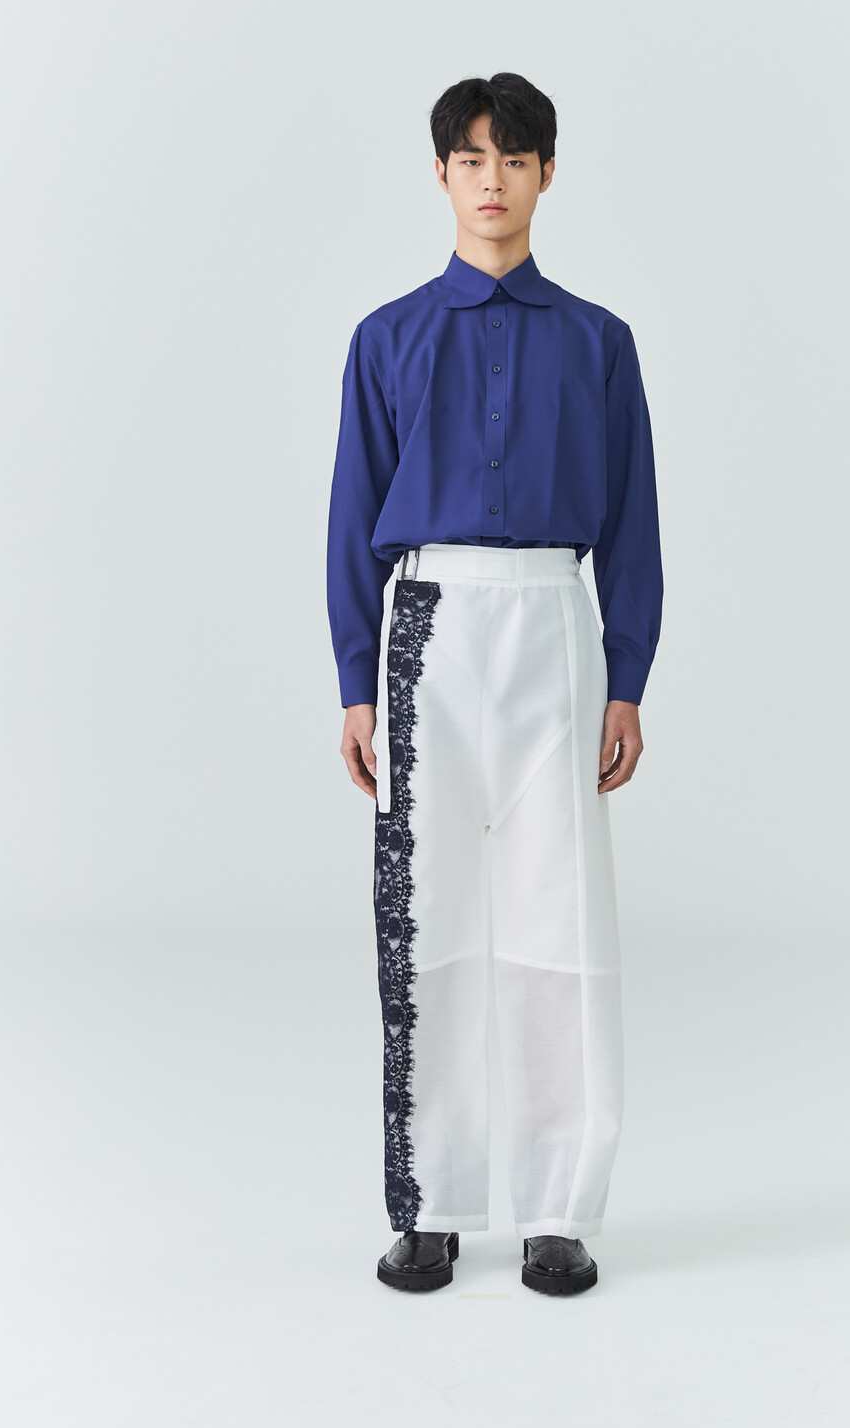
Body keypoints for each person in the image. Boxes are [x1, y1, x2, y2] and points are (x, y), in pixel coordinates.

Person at [325, 71, 663, 1296]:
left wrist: (627, 676)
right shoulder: (387, 337)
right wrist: (357, 681)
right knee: (426, 913)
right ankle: (428, 1204)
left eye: (514, 158)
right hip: (428, 625)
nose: (491, 180)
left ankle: (557, 1209)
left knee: (558, 916)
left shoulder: (598, 341)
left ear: (546, 174)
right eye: (470, 158)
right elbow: (352, 516)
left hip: (555, 628)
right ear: (440, 175)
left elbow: (632, 520)